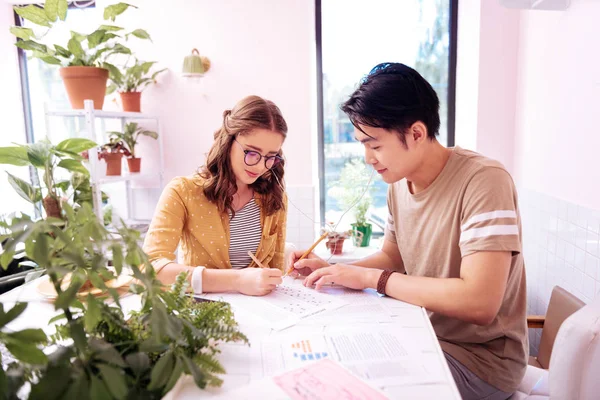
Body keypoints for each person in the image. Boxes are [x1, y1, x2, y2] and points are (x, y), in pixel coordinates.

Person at [288, 63, 527, 400]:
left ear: (416, 133)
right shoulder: (398, 185)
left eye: (375, 145)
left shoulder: (484, 181)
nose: (368, 157)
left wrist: (375, 280)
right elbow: (392, 257)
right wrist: (333, 270)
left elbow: (480, 302)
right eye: (362, 144)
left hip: (479, 361)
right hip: (420, 335)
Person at [144, 95, 288, 296]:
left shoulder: (273, 197)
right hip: (206, 317)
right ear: (229, 141)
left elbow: (275, 272)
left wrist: (292, 264)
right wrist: (237, 280)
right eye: (251, 152)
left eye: (271, 157)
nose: (261, 166)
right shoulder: (182, 192)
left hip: (262, 317)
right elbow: (150, 270)